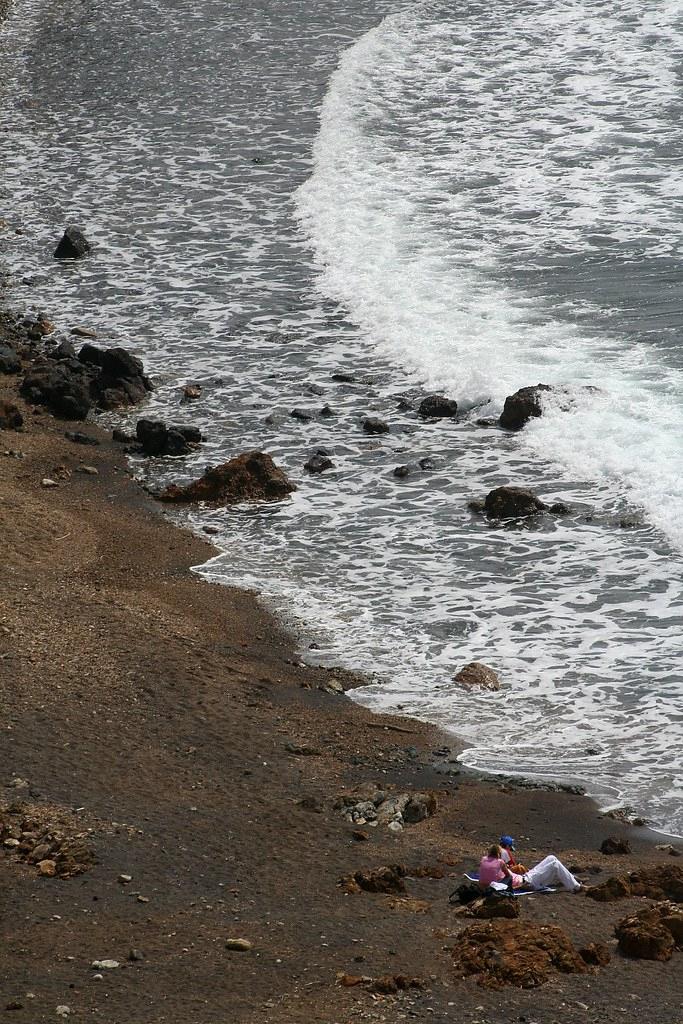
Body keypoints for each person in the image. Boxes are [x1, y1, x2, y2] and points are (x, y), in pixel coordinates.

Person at [478, 843, 582, 893]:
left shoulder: (484, 860)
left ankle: (573, 879)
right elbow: (509, 878)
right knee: (554, 863)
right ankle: (576, 887)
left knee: (552, 857)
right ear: (498, 854)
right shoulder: (500, 863)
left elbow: (483, 882)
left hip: (525, 878)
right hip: (526, 882)